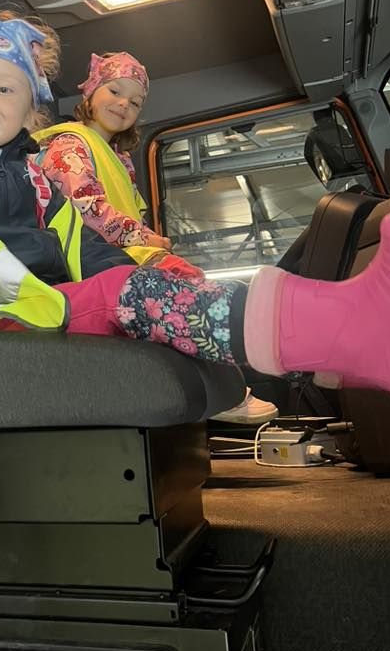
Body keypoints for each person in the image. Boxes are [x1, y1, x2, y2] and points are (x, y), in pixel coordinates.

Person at [0, 0, 390, 408]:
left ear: (30, 110)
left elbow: (89, 247)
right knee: (128, 294)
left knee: (147, 286)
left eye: (5, 88)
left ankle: (339, 343)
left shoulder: (34, 177)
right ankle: (348, 333)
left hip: (38, 305)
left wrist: (148, 272)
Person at [34, 51, 275, 423]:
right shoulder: (70, 143)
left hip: (116, 254)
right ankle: (227, 391)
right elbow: (85, 207)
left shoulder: (120, 159)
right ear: (91, 93)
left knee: (188, 278)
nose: (123, 104)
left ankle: (222, 386)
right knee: (181, 282)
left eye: (135, 102)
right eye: (114, 91)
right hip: (86, 256)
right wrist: (146, 239)